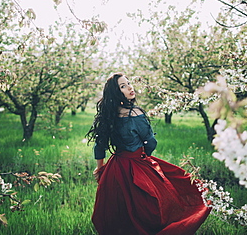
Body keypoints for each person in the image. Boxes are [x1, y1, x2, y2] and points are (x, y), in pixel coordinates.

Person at [86, 73, 211, 235]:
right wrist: (145, 158)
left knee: (119, 207)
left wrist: (100, 169)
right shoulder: (135, 113)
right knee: (157, 201)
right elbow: (150, 141)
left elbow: (99, 146)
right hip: (137, 162)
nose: (130, 87)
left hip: (115, 166)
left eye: (128, 83)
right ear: (116, 92)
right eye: (123, 86)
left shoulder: (108, 115)